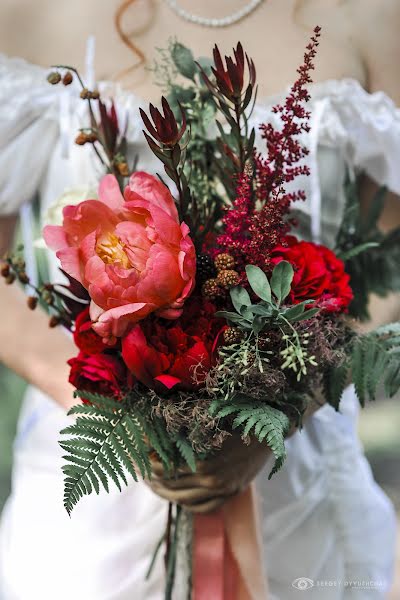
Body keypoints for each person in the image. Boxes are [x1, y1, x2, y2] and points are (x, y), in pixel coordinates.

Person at [0, 0, 399, 598]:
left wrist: (292, 403)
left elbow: (387, 259)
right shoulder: (28, 14)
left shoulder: (373, 17)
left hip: (299, 470)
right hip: (91, 478)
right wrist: (135, 417)